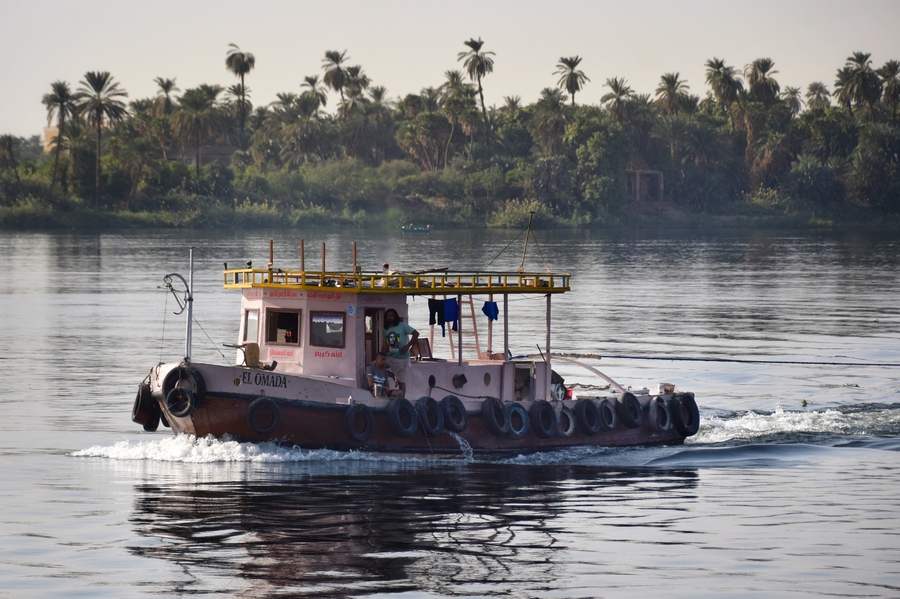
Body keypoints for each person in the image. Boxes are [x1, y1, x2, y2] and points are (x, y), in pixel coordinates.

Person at [381, 308, 418, 397]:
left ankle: (402, 400)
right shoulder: (386, 329)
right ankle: (393, 376)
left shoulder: (402, 326)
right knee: (375, 365)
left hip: (401, 358)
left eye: (391, 316)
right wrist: (381, 356)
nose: (389, 318)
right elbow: (385, 345)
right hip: (390, 357)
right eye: (387, 316)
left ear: (395, 316)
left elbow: (416, 334)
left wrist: (407, 347)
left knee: (402, 381)